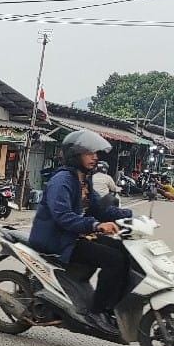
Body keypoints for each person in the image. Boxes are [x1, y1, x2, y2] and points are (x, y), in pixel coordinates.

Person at [28, 130, 132, 335]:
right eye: (89, 153)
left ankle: (111, 306)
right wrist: (96, 225)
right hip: (58, 240)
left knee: (124, 251)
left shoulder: (83, 179)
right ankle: (96, 312)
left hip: (73, 236)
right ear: (75, 155)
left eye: (95, 153)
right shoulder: (62, 181)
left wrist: (130, 215)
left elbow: (99, 208)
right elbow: (63, 216)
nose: (95, 157)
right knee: (113, 260)